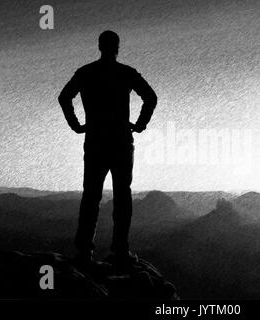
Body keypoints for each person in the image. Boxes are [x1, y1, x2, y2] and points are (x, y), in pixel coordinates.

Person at [58, 30, 157, 273]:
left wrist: (76, 125)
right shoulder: (126, 73)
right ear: (117, 47)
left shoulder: (86, 73)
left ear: (99, 46)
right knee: (122, 196)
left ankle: (84, 252)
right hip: (121, 141)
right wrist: (140, 124)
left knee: (91, 195)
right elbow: (151, 97)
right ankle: (120, 251)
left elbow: (64, 97)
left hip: (95, 141)